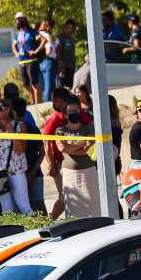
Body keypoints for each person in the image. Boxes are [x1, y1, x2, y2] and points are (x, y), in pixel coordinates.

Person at [43, 87, 89, 219]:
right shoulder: (54, 118)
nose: (53, 103)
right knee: (65, 197)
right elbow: (47, 143)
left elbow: (90, 134)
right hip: (60, 164)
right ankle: (49, 221)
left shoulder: (80, 115)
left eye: (55, 100)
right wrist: (51, 163)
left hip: (83, 164)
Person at [59, 99, 99, 218]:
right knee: (72, 207)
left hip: (88, 172)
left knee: (93, 206)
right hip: (69, 174)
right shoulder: (60, 130)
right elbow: (62, 148)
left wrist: (71, 147)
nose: (73, 113)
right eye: (70, 111)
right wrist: (81, 143)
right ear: (66, 114)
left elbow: (89, 148)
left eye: (75, 111)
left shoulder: (88, 128)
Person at [0, 99, 32, 214]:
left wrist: (12, 132)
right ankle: (11, 232)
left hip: (16, 171)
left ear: (8, 110)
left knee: (24, 205)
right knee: (6, 209)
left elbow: (21, 149)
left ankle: (33, 230)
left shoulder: (20, 126)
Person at [12, 96, 46, 212]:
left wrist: (32, 173)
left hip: (26, 174)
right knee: (36, 204)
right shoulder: (34, 129)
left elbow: (42, 153)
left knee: (34, 205)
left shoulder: (14, 131)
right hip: (30, 173)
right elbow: (42, 154)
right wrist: (33, 172)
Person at [12, 13, 42, 104]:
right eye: (16, 20)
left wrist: (36, 51)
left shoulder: (32, 32)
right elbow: (14, 46)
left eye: (19, 19)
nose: (17, 21)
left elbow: (44, 40)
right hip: (22, 62)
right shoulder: (17, 34)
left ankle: (38, 104)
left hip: (31, 61)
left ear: (24, 20)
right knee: (26, 84)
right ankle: (32, 102)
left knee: (34, 83)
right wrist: (16, 53)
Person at [37, 19, 56, 100]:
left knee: (43, 85)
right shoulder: (46, 35)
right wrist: (46, 55)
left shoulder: (38, 34)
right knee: (49, 85)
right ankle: (48, 103)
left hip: (40, 62)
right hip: (48, 60)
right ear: (47, 26)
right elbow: (49, 49)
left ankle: (45, 101)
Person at [55, 21, 77, 89]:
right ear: (66, 27)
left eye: (74, 28)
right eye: (71, 28)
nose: (73, 30)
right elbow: (58, 51)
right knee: (61, 88)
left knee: (69, 87)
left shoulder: (71, 38)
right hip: (63, 67)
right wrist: (61, 65)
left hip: (71, 67)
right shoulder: (60, 38)